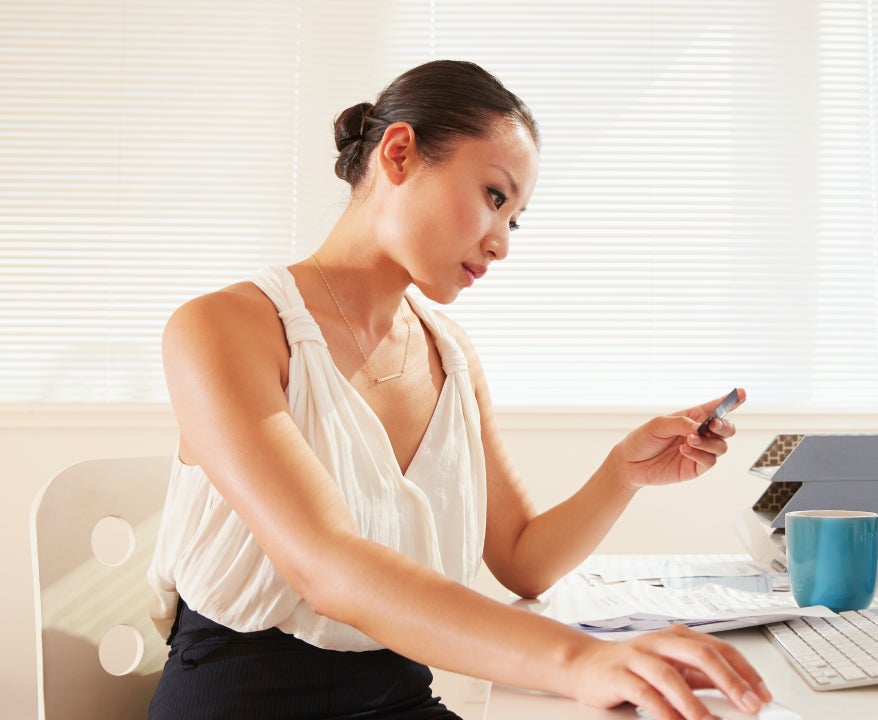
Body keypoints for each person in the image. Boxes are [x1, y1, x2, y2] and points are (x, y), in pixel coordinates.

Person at [145, 59, 769, 720]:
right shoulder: (223, 328)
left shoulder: (450, 354)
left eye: (514, 220)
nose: (501, 244)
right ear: (399, 154)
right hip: (240, 700)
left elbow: (522, 559)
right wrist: (578, 661)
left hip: (399, 700)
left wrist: (623, 473)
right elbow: (327, 567)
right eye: (495, 197)